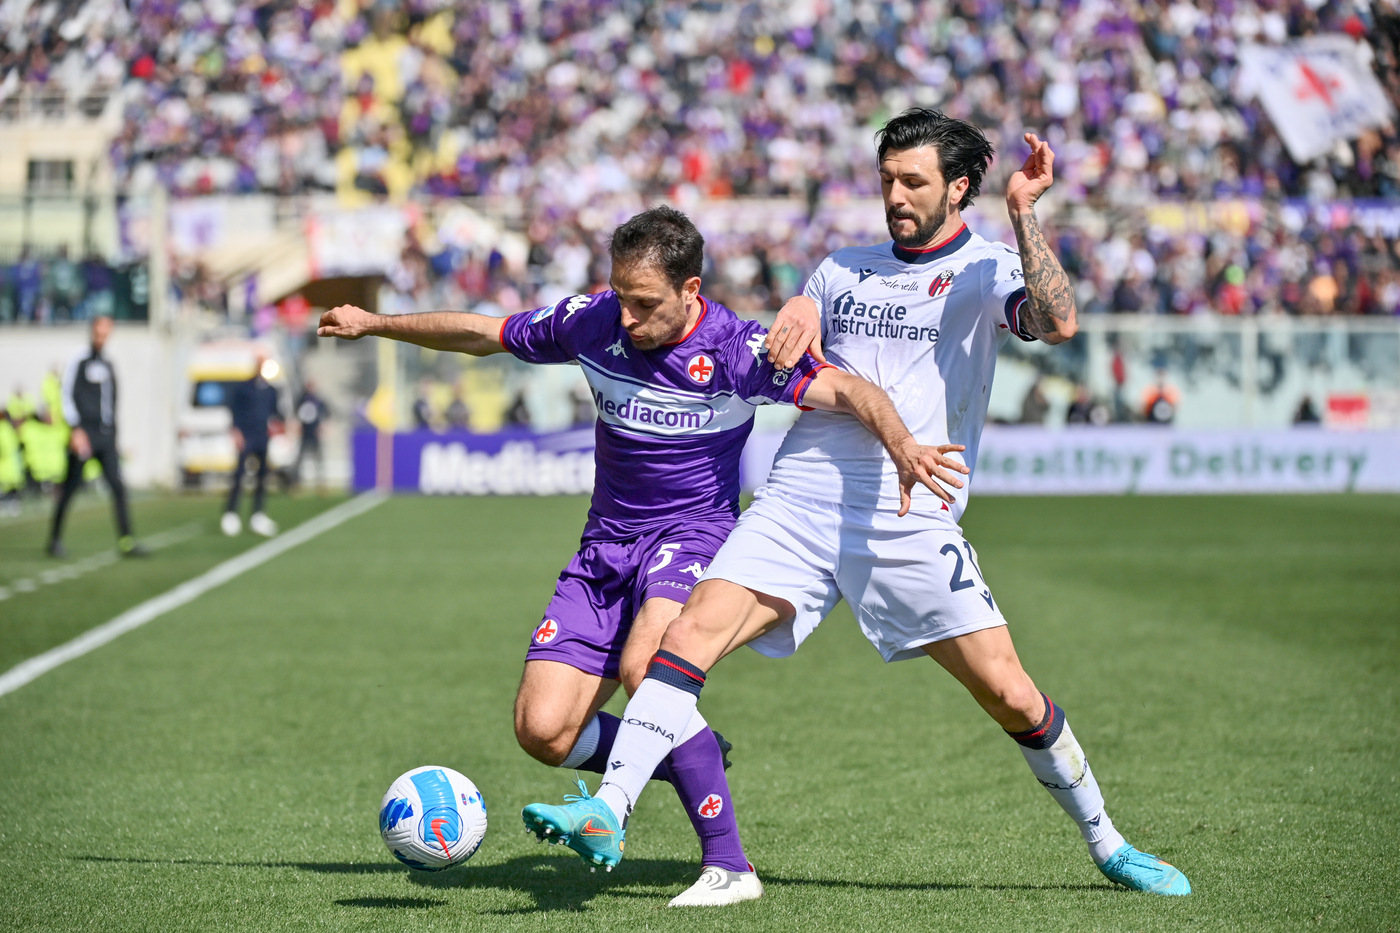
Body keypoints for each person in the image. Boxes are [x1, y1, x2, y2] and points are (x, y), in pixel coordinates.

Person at [525, 110, 1192, 897]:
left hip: (907, 508)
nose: (896, 196)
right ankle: (613, 809)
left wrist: (1024, 213)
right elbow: (795, 334)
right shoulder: (842, 267)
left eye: (914, 181)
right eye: (887, 181)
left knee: (1009, 691)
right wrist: (799, 309)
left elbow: (1058, 320)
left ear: (959, 187)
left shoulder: (986, 267)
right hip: (799, 497)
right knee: (687, 633)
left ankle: (1107, 840)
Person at [318, 206, 958, 906]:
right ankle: (681, 747)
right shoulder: (593, 321)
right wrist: (376, 323)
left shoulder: (741, 348)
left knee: (643, 665)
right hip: (603, 550)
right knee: (543, 731)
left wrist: (905, 446)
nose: (626, 317)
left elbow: (851, 389)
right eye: (620, 295)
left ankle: (729, 864)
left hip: (694, 536)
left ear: (692, 290)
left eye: (645, 302)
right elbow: (484, 333)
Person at [46, 315, 147, 558]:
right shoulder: (79, 359)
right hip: (85, 434)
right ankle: (54, 540)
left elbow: (111, 402)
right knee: (71, 487)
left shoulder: (108, 362)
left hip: (106, 436)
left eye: (107, 333)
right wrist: (75, 428)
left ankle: (127, 541)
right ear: (92, 331)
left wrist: (114, 434)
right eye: (100, 332)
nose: (103, 337)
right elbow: (67, 393)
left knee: (118, 487)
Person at [221, 352, 283, 537]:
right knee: (239, 474)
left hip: (262, 436)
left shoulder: (271, 390)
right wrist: (236, 431)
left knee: (262, 476)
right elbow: (234, 411)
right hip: (246, 435)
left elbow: (275, 413)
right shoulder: (243, 388)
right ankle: (231, 513)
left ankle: (258, 514)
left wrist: (280, 425)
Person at [292, 378, 331, 489]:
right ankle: (297, 483)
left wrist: (324, 427)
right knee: (300, 459)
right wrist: (296, 427)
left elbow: (326, 415)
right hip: (305, 432)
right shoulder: (302, 399)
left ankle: (321, 483)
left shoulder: (318, 400)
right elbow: (296, 415)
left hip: (315, 433)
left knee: (319, 459)